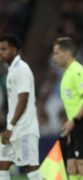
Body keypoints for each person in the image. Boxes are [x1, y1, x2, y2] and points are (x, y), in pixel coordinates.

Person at [53, 37, 83, 180]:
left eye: (57, 53)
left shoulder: (78, 71)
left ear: (67, 53)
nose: (55, 57)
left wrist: (74, 121)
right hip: (75, 125)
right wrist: (70, 125)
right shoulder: (66, 73)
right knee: (71, 167)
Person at [0, 33, 42, 179]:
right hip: (13, 128)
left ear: (14, 50)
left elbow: (23, 100)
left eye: (4, 49)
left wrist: (10, 127)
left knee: (32, 170)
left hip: (24, 129)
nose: (1, 52)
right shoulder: (11, 70)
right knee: (2, 165)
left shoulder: (22, 69)